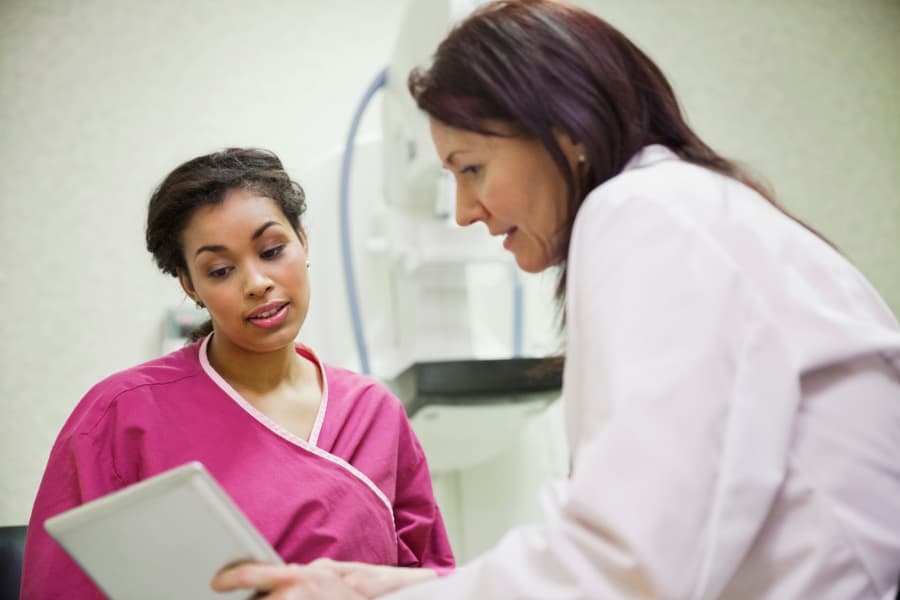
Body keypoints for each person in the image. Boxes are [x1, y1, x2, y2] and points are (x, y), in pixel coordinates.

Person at [212, 1, 900, 599]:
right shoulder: (692, 209)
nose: (463, 212)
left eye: (472, 169)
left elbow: (627, 567)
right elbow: (637, 547)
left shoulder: (643, 212)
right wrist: (391, 586)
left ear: (565, 131)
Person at [20, 148, 455, 599]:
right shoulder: (121, 415)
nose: (256, 283)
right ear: (190, 285)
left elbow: (432, 579)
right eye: (221, 270)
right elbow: (60, 587)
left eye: (272, 250)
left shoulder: (373, 412)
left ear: (303, 240)